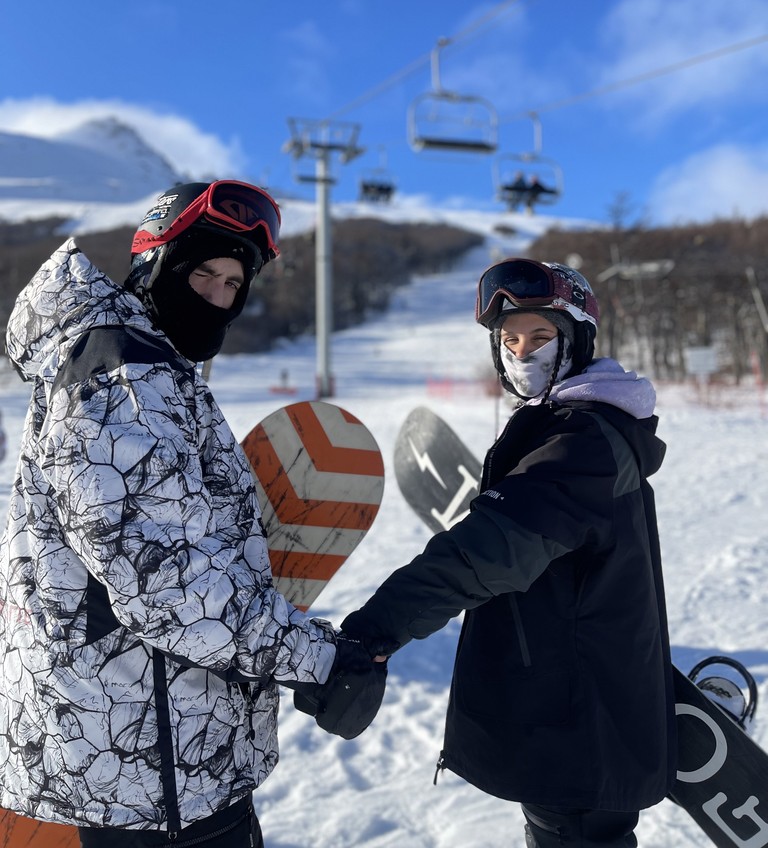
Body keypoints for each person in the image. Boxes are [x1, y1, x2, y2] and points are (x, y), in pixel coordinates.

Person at [0, 180, 380, 847]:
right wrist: (318, 659)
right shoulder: (122, 377)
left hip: (152, 753)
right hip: (150, 770)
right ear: (154, 265)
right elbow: (170, 587)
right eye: (201, 273)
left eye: (232, 284)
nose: (216, 295)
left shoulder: (137, 363)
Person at [339, 257, 677, 847]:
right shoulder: (567, 425)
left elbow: (485, 554)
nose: (523, 352)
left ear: (575, 341)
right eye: (510, 339)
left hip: (577, 732)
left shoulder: (584, 441)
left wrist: (374, 629)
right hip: (566, 719)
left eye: (540, 336)